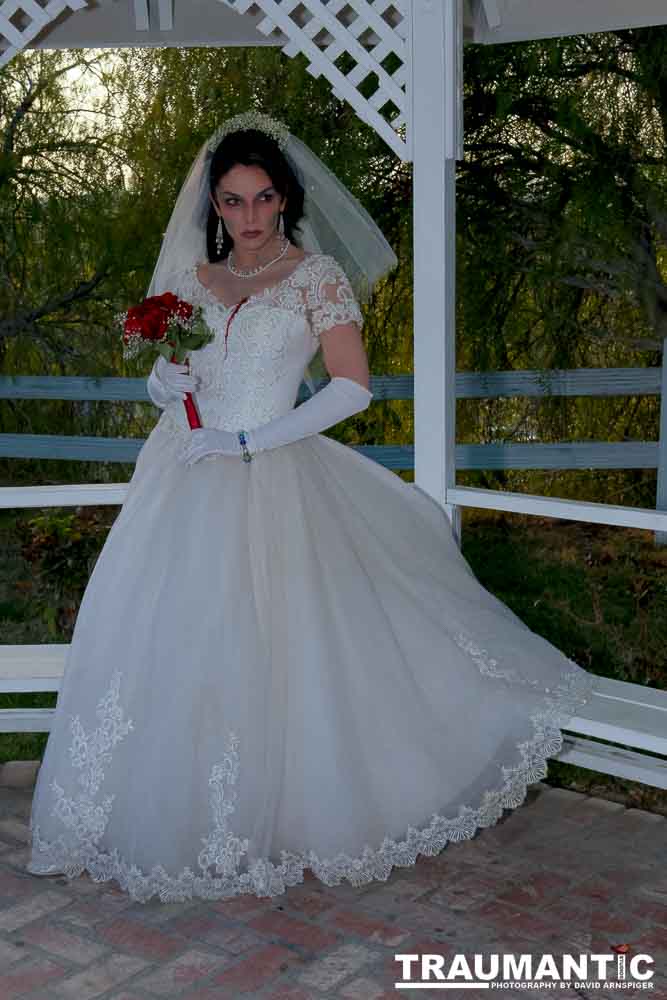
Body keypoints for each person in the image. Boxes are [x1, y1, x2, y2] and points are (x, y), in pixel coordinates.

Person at [26, 111, 595, 904]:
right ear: (213, 207)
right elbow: (173, 370)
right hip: (183, 473)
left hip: (275, 472)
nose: (249, 218)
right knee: (172, 641)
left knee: (283, 643)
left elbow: (352, 389)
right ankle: (178, 815)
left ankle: (286, 812)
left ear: (286, 199)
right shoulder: (191, 281)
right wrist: (162, 384)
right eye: (232, 202)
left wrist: (251, 439)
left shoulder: (315, 276)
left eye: (263, 199)